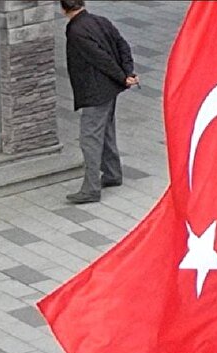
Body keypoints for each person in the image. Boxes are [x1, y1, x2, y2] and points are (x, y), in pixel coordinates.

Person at [60, 0, 137, 204]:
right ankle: (112, 174)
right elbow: (122, 45)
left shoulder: (75, 30)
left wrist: (123, 77)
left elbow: (99, 58)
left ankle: (91, 188)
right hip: (110, 89)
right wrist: (128, 72)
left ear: (63, 9)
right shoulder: (101, 21)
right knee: (106, 131)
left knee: (89, 138)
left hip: (95, 91)